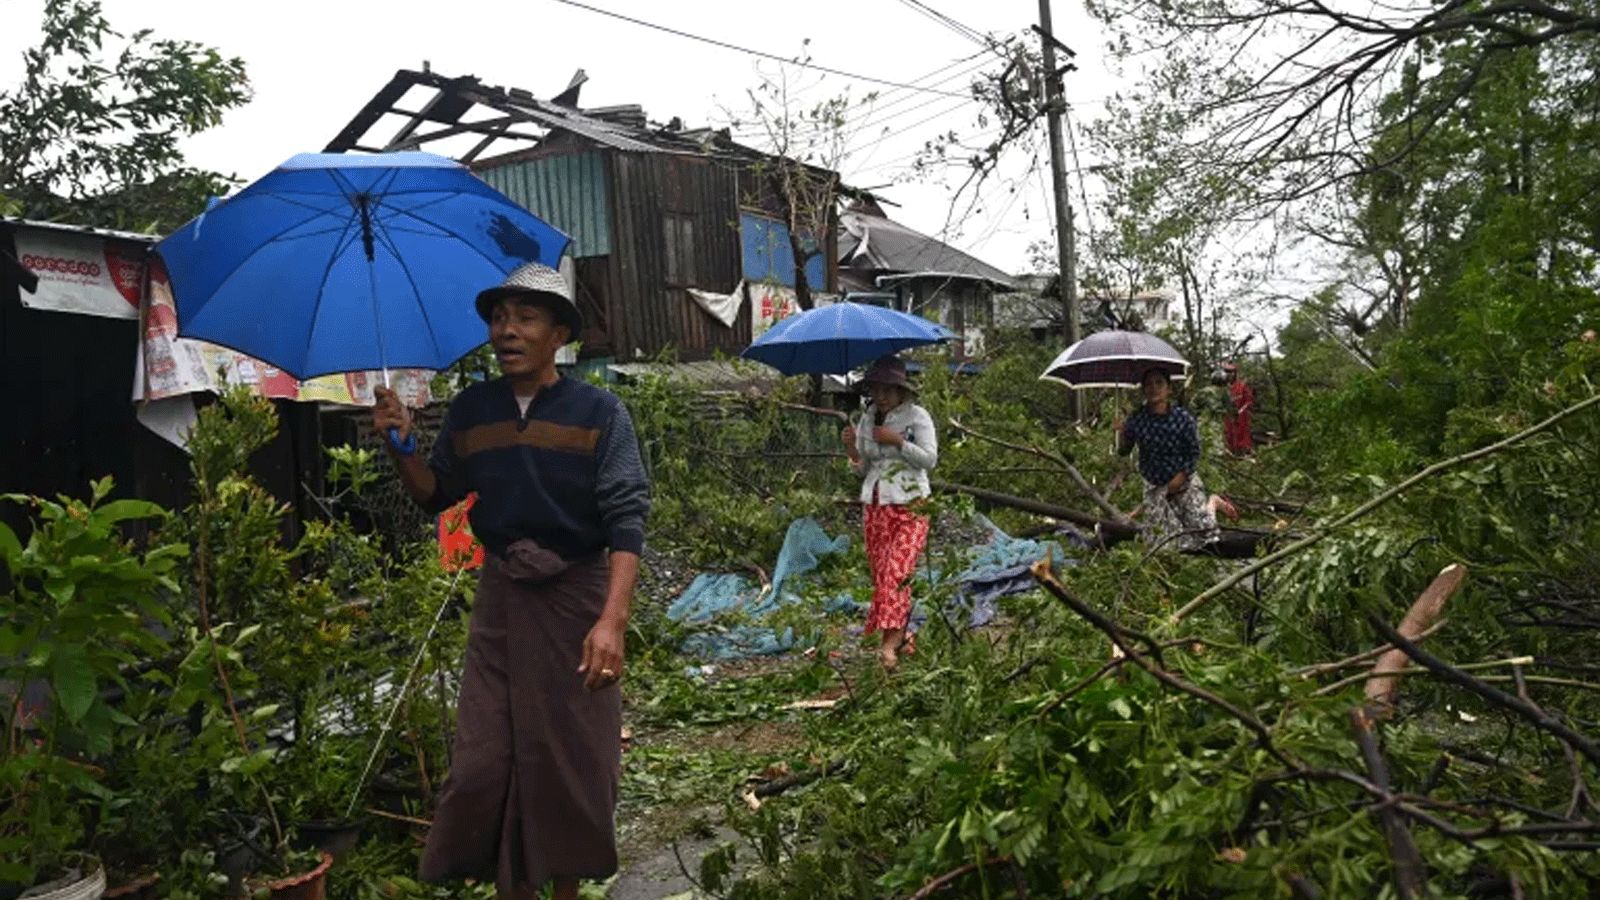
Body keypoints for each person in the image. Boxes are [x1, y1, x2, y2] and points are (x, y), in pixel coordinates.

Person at [371, 261, 650, 900]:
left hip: (577, 599)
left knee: (572, 759)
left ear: (559, 334)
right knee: (485, 760)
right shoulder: (473, 411)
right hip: (501, 601)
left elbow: (626, 520)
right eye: (499, 317)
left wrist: (612, 622)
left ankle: (566, 891)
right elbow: (434, 496)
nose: (507, 330)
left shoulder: (599, 411)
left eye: (525, 317)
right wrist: (402, 445)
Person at [840, 355, 938, 671]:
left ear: (900, 390)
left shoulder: (917, 417)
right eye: (875, 390)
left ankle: (888, 648)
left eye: (887, 390)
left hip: (911, 504)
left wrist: (898, 442)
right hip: (876, 505)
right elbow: (865, 468)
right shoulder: (867, 419)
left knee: (898, 574)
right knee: (882, 576)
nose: (880, 397)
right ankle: (901, 636)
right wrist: (853, 450)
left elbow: (929, 460)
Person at [1116, 367, 1220, 552]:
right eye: (1148, 384)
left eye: (1159, 383)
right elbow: (1123, 451)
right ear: (1143, 389)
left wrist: (1181, 477)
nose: (1153, 388)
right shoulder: (1136, 419)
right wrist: (1121, 431)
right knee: (1164, 544)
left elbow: (1194, 452)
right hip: (1155, 486)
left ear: (1169, 388)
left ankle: (1213, 502)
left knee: (1207, 536)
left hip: (1183, 481)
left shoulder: (1183, 419)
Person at [1222, 362, 1254, 456]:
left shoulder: (1241, 386)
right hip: (1227, 417)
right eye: (1227, 372)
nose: (1229, 374)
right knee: (1228, 436)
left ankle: (1242, 453)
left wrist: (1240, 411)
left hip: (1241, 418)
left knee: (1241, 437)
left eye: (1231, 372)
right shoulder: (1223, 387)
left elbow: (1248, 401)